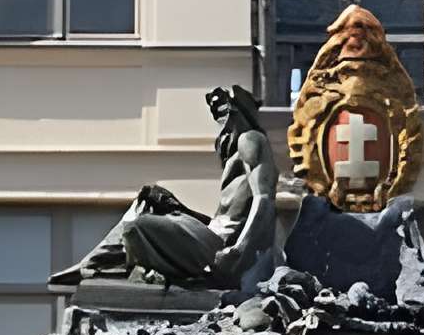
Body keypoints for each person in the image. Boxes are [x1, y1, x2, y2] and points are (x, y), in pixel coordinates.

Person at [51, 84, 277, 288]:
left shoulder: (251, 139)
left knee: (138, 226)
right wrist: (182, 211)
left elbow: (263, 199)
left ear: (237, 109)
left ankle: (94, 268)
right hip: (212, 235)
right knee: (150, 200)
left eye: (221, 108)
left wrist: (238, 250)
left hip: (219, 247)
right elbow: (224, 217)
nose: (217, 117)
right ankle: (90, 265)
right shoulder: (235, 150)